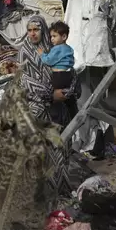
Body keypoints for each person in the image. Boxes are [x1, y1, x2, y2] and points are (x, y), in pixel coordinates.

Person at [18, 15, 80, 194]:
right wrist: (50, 94)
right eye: (29, 30)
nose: (32, 34)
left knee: (59, 150)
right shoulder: (24, 51)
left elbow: (71, 72)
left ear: (43, 30)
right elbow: (23, 79)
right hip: (36, 108)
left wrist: (66, 93)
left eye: (36, 30)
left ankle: (60, 189)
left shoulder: (54, 47)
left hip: (58, 110)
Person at [38, 21, 75, 90]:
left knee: (56, 93)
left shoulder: (58, 48)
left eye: (54, 36)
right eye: (51, 36)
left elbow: (48, 60)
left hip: (59, 76)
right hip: (68, 75)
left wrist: (42, 54)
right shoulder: (69, 49)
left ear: (64, 37)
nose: (52, 39)